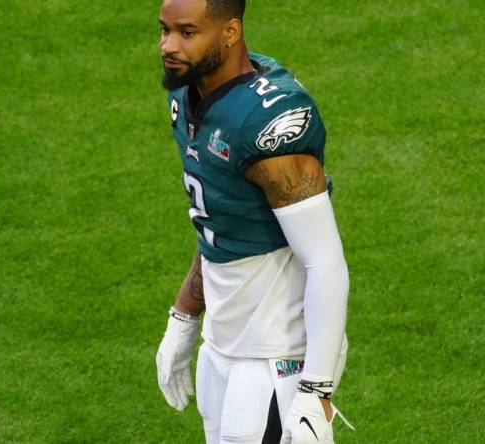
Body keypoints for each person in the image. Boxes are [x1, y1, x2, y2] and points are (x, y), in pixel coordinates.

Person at [154, 1, 352, 443]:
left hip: (274, 360)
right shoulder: (188, 93)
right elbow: (219, 222)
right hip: (224, 345)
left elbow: (325, 261)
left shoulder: (269, 125)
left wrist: (317, 391)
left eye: (187, 32)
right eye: (164, 30)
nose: (169, 46)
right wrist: (185, 316)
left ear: (230, 32)